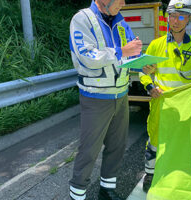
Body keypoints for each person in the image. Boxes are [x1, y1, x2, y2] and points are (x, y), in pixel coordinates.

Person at [68, 0, 151, 199]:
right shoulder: (82, 19)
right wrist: (122, 51)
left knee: (117, 145)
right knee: (89, 150)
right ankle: (78, 194)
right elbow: (86, 56)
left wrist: (143, 65)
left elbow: (130, 58)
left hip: (121, 95)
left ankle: (107, 190)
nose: (123, 3)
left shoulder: (122, 24)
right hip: (95, 97)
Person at [139, 0, 191, 193]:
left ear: (189, 19)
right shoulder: (156, 45)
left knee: (183, 142)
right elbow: (143, 72)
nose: (176, 21)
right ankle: (150, 174)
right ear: (167, 18)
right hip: (161, 104)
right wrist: (150, 87)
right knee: (154, 141)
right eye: (172, 16)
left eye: (181, 17)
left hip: (186, 106)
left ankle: (179, 176)